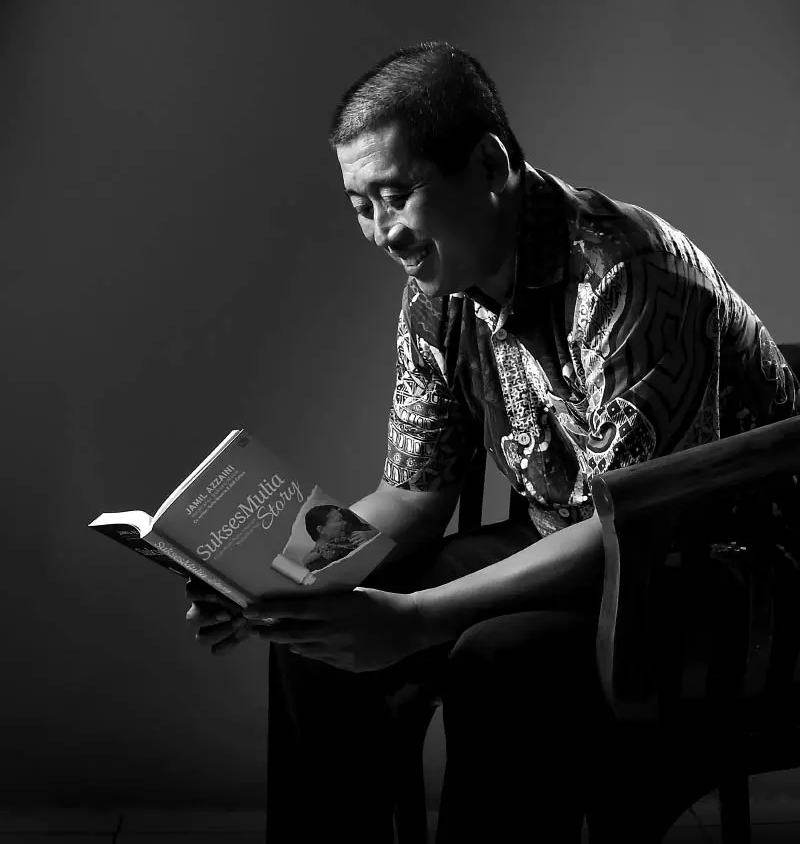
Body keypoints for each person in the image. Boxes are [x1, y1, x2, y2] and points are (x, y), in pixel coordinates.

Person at [185, 41, 798, 842]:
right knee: (316, 636)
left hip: (726, 575)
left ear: (487, 165)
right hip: (578, 543)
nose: (381, 232)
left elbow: (634, 527)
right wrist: (275, 580)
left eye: (395, 196)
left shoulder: (625, 271)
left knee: (498, 659)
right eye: (360, 205)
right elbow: (412, 493)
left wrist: (415, 619)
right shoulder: (437, 289)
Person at [299, 505, 379, 571]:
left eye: (342, 519)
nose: (344, 523)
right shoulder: (316, 564)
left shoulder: (355, 532)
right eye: (339, 520)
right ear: (321, 529)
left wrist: (371, 535)